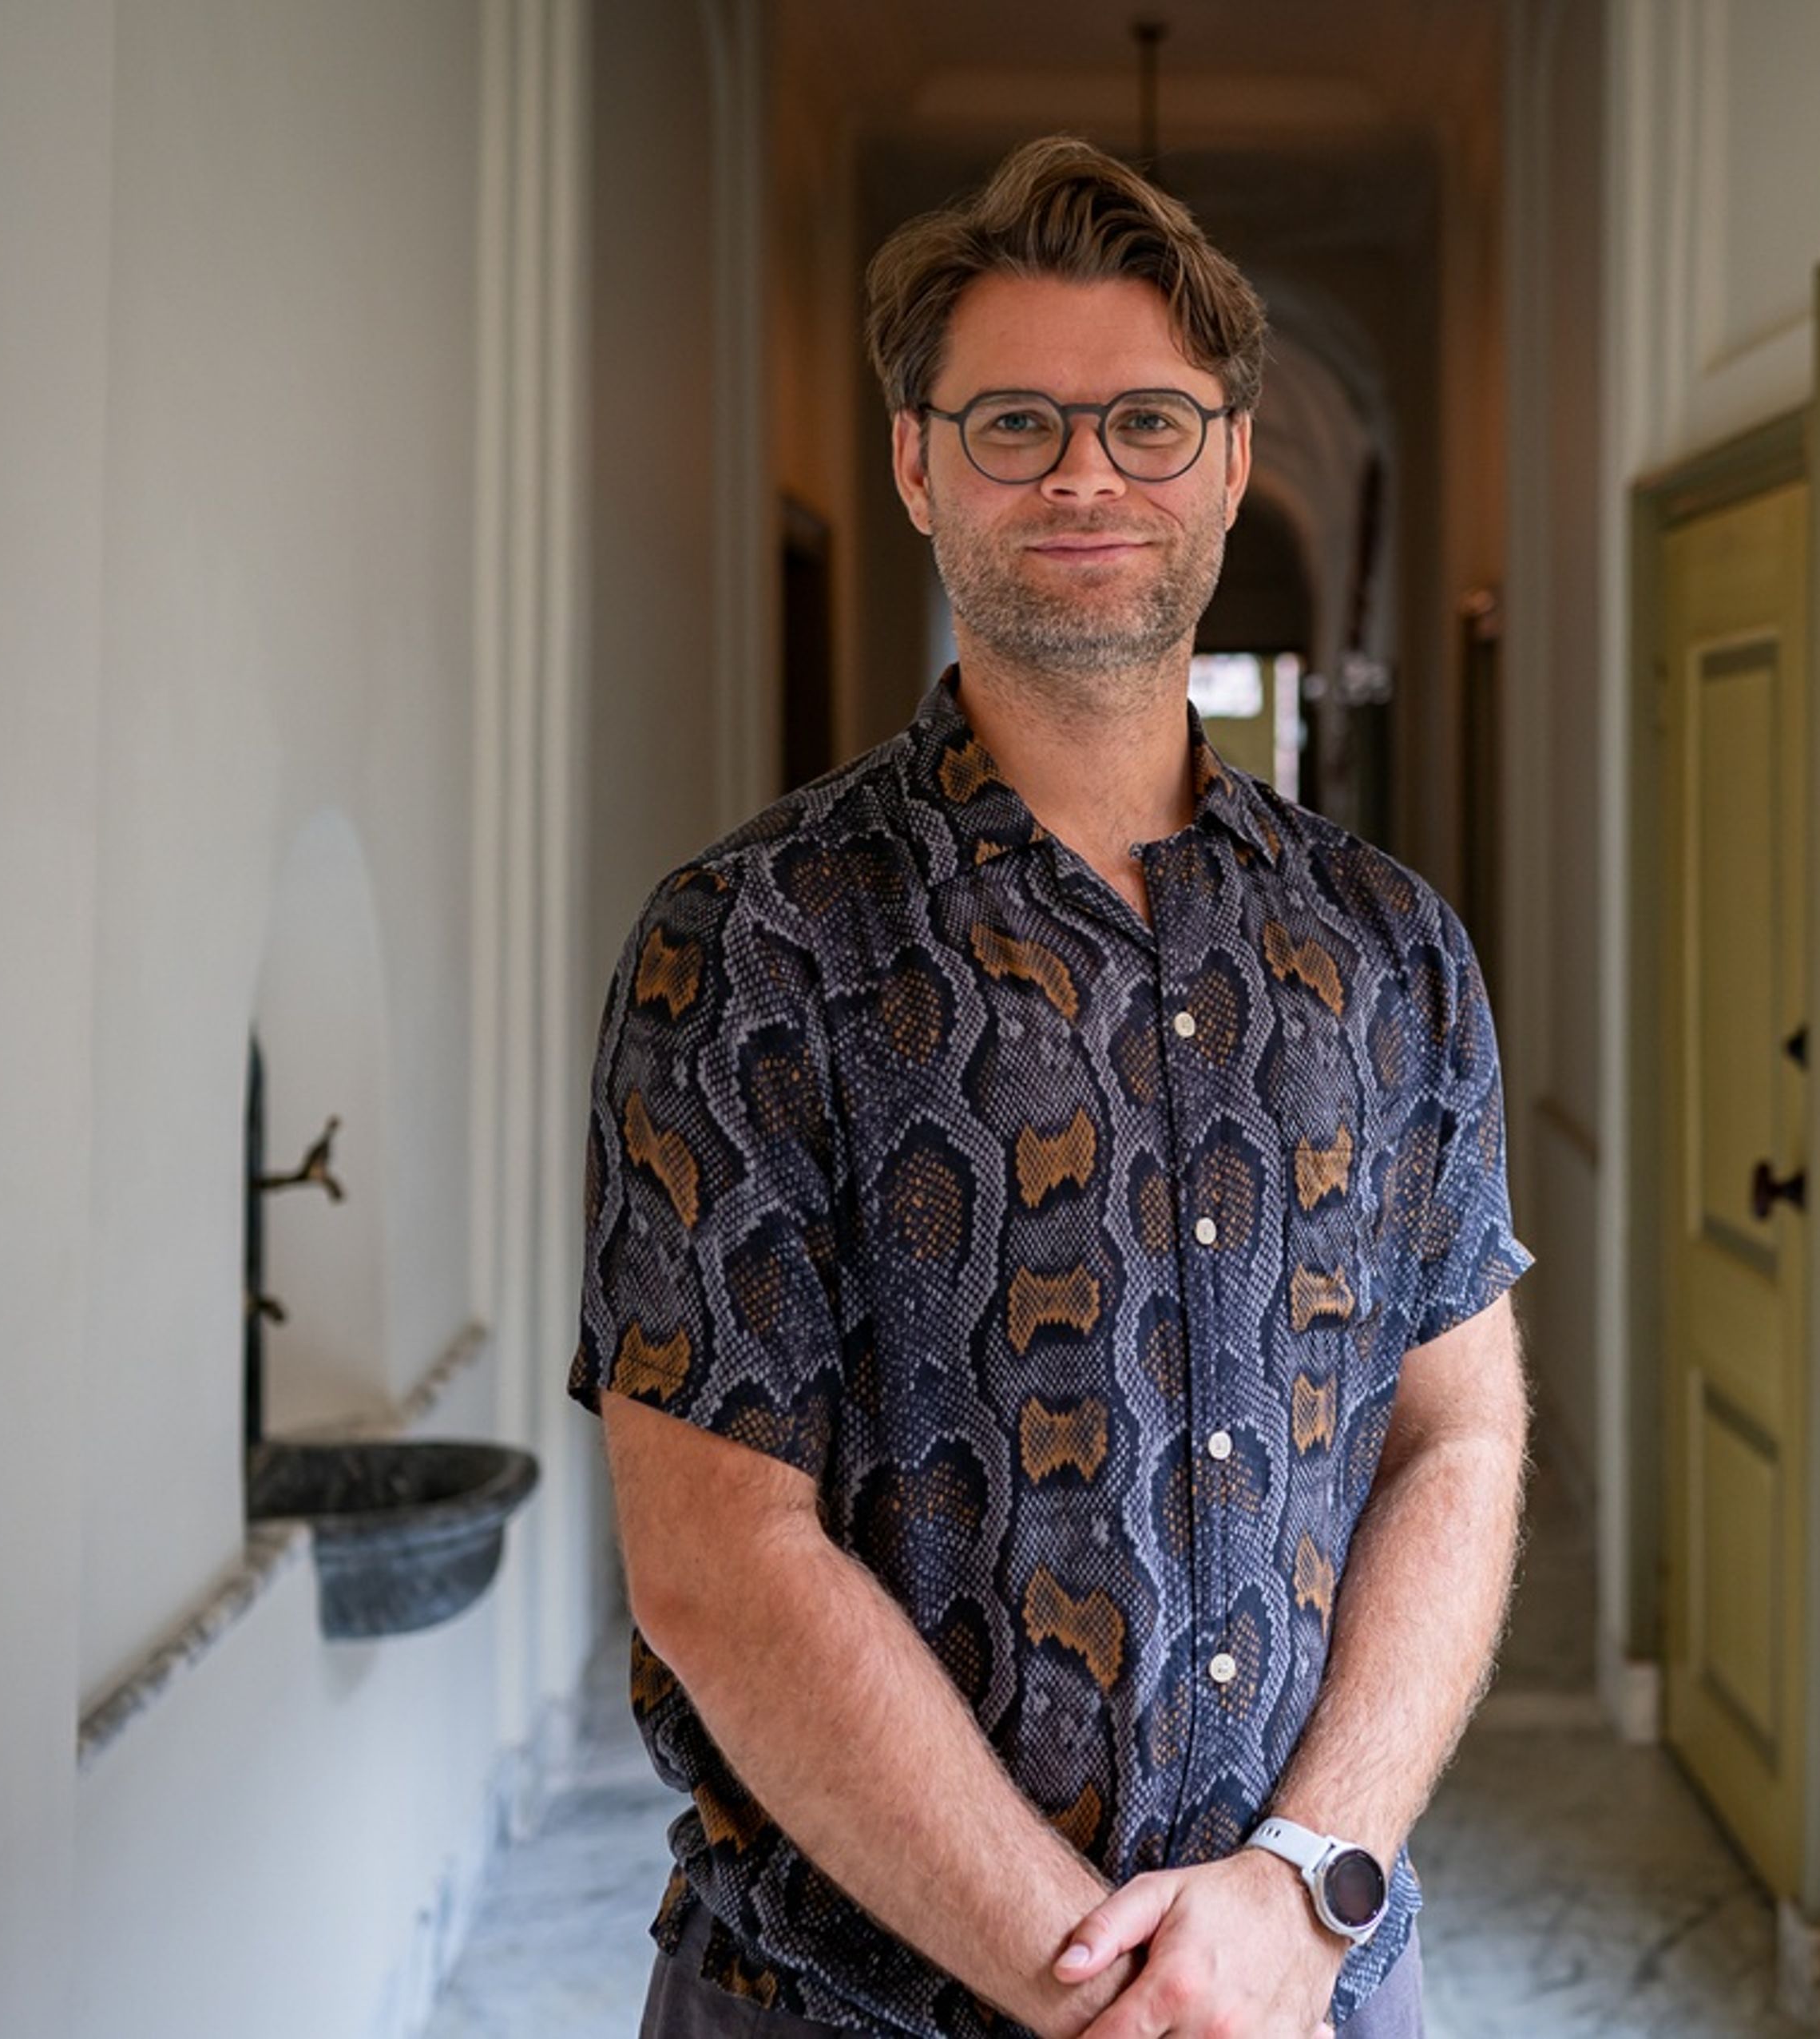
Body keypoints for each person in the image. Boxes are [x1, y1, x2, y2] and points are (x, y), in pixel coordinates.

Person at [570, 134, 1532, 2039]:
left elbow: (1461, 1439)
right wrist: (1120, 1998)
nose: (1087, 469)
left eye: (1151, 423)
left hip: (1312, 1987)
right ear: (919, 464)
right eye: (1014, 420)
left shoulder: (1387, 945)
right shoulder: (748, 947)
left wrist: (1299, 1882)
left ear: (1235, 462)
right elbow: (716, 1558)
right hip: (849, 2006)